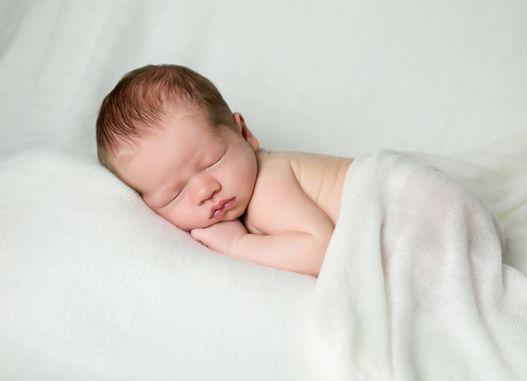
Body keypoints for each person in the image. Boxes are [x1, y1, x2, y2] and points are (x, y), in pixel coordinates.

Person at [96, 64, 353, 277]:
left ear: (244, 133)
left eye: (213, 161)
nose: (205, 190)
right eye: (174, 193)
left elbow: (323, 252)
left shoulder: (268, 184)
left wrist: (238, 245)